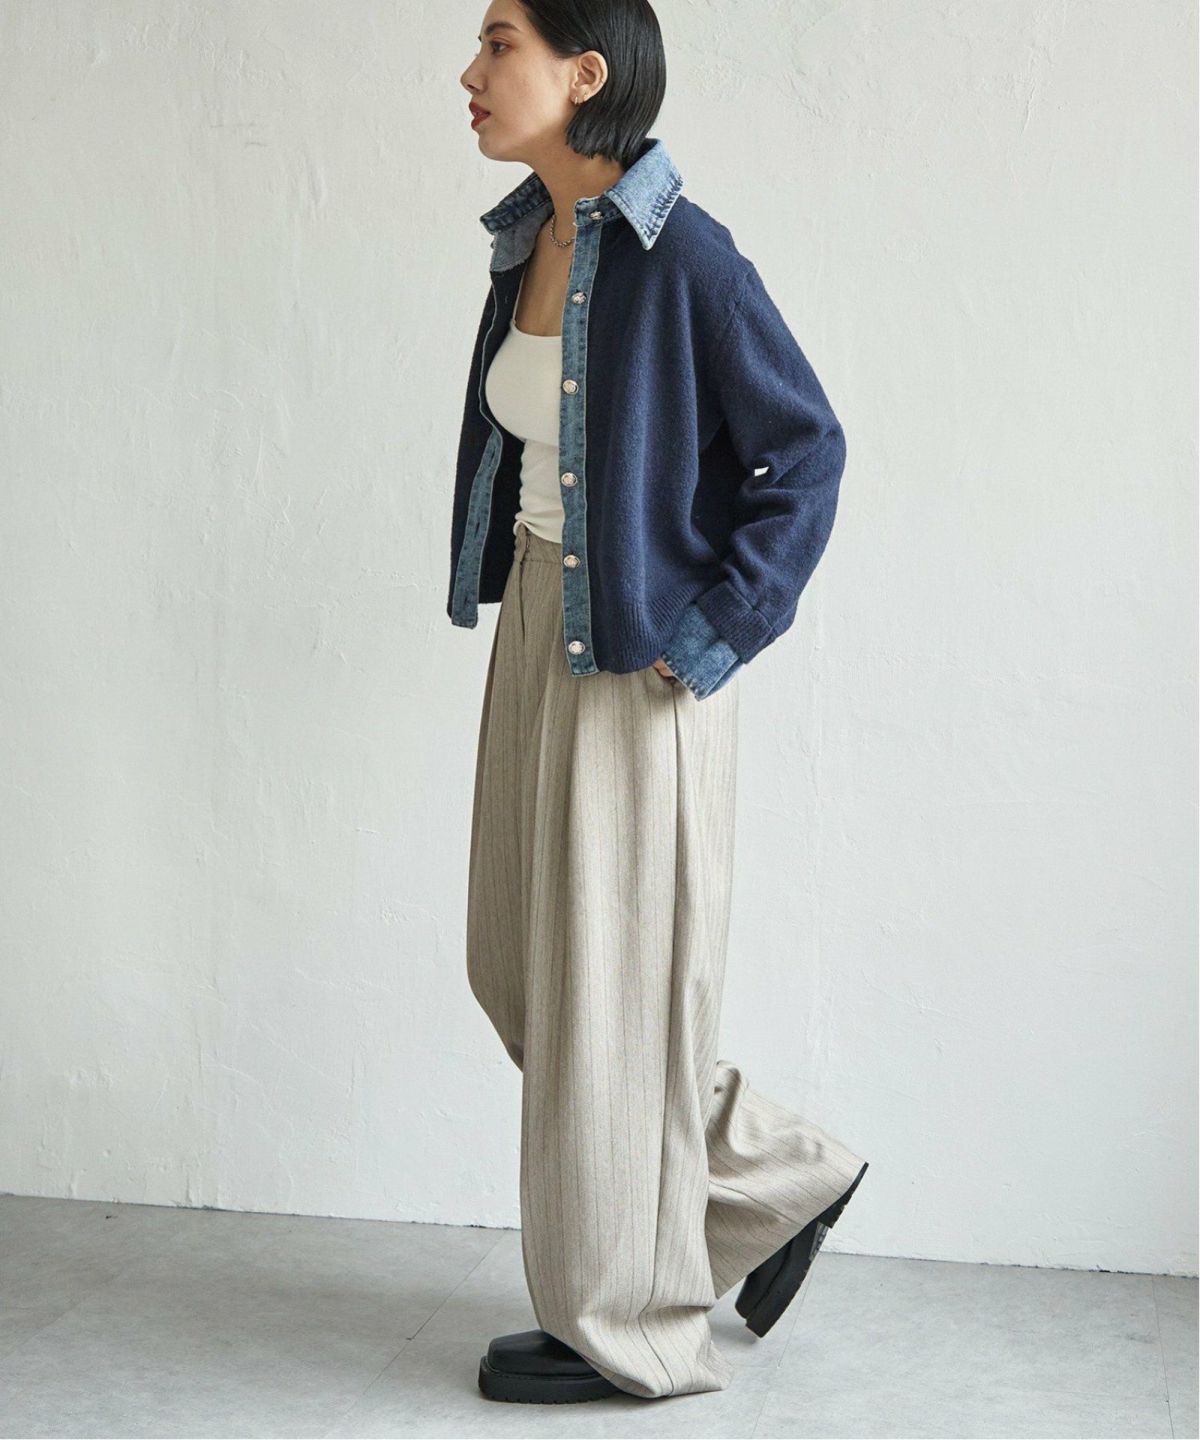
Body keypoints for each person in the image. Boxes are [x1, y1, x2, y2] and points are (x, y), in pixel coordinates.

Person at [452, 0, 870, 1405]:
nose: (471, 71)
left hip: (639, 657)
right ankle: (777, 1178)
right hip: (540, 619)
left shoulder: (683, 253)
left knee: (611, 994)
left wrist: (714, 634)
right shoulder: (529, 239)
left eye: (498, 43)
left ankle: (627, 1327)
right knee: (521, 969)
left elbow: (806, 452)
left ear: (586, 72)